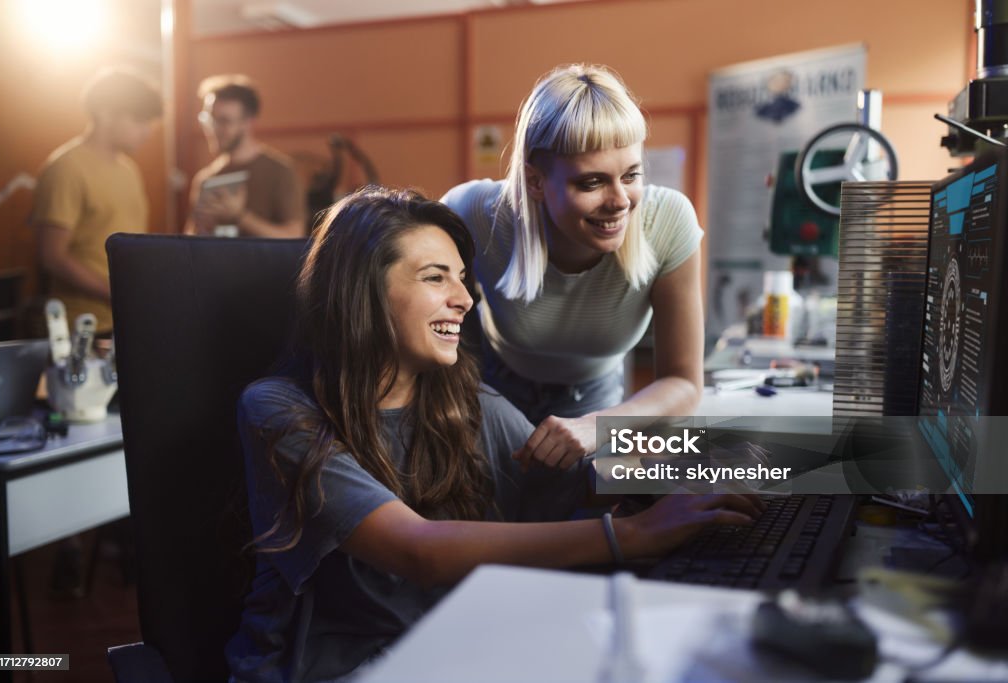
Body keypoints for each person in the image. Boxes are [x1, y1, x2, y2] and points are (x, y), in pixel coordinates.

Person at [225, 186, 762, 682]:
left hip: (454, 649)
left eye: (462, 278)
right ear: (360, 293)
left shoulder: (466, 404)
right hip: (334, 668)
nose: (465, 299)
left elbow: (598, 473)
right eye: (436, 277)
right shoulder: (280, 413)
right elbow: (418, 550)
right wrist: (634, 533)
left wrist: (797, 459)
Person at [442, 64, 705, 472]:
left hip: (598, 397)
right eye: (592, 183)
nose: (620, 201)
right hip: (493, 389)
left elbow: (684, 382)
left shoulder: (668, 221)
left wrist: (597, 427)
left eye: (631, 175)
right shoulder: (474, 214)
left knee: (590, 509)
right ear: (535, 182)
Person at [31, 66, 162, 334]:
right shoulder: (67, 168)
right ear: (105, 113)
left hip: (124, 320)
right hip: (78, 327)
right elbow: (52, 256)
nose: (146, 131)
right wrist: (116, 293)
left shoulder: (129, 170)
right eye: (139, 120)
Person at [186, 74, 305, 238]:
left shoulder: (280, 172)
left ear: (248, 122)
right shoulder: (205, 179)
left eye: (224, 121)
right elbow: (192, 236)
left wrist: (240, 217)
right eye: (209, 119)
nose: (213, 129)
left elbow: (294, 235)